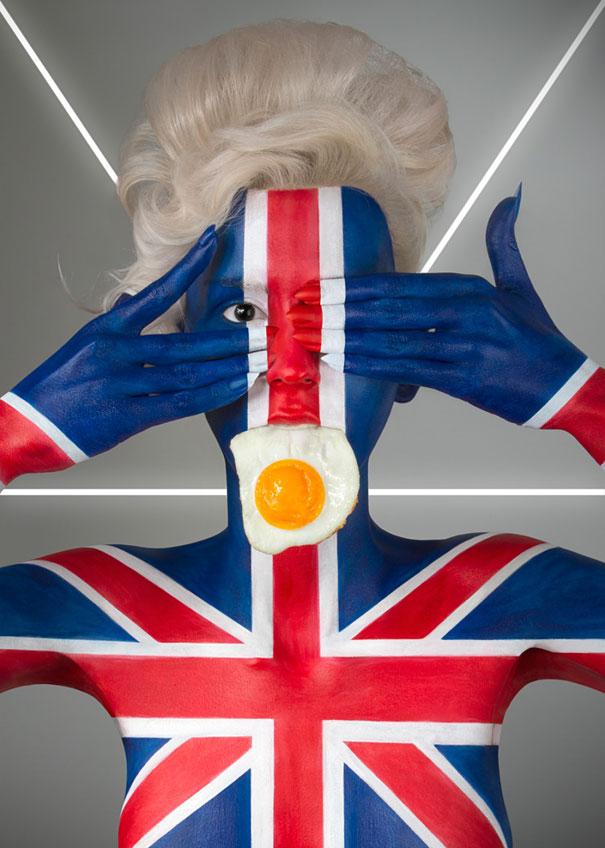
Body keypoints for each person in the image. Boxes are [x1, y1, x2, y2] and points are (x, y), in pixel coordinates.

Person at [1, 20, 604, 848]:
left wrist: (584, 400)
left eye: (346, 311)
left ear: (412, 365)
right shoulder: (102, 608)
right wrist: (14, 431)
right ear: (167, 357)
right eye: (242, 314)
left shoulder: (500, 597)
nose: (291, 366)